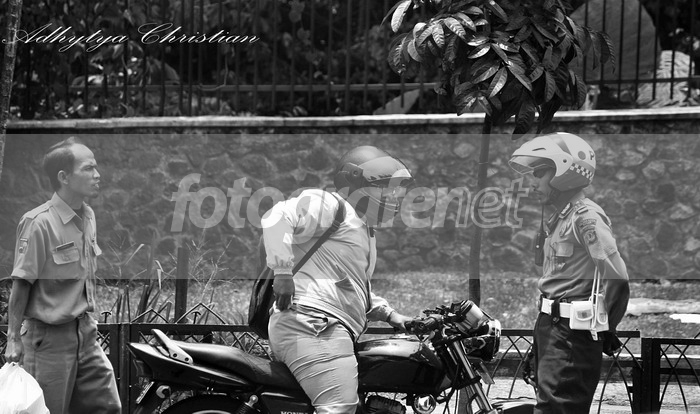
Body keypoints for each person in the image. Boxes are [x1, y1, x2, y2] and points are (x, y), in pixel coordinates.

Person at [261, 145, 414, 414]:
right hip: (313, 325)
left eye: (395, 190)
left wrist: (389, 315)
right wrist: (282, 272)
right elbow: (277, 216)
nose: (393, 196)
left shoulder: (361, 228)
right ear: (357, 183)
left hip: (322, 326)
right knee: (339, 409)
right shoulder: (331, 205)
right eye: (384, 187)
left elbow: (348, 286)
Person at [509, 132, 630, 414]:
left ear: (564, 172)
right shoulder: (560, 218)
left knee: (558, 408)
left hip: (571, 332)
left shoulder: (585, 217)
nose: (533, 182)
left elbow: (618, 278)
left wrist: (606, 327)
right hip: (551, 326)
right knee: (549, 404)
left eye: (540, 173)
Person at [4, 137, 121, 414]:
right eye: (88, 168)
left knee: (107, 407)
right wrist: (13, 337)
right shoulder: (38, 223)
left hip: (86, 334)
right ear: (64, 177)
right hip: (49, 341)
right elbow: (21, 284)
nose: (97, 175)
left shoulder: (88, 216)